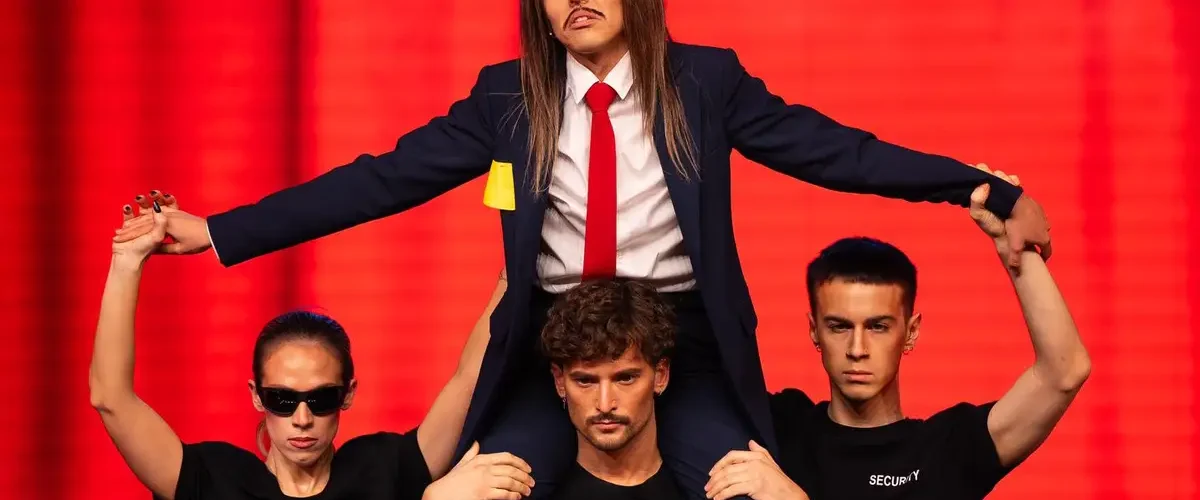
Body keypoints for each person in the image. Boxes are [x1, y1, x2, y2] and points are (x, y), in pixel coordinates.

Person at [112, 0, 1054, 495]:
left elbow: (833, 149)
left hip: (681, 336)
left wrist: (978, 187)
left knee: (737, 486)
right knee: (492, 487)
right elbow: (378, 179)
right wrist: (218, 231)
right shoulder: (506, 97)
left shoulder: (705, 83)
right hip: (553, 340)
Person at [91, 201, 534, 499]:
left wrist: (519, 263)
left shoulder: (385, 468)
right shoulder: (214, 480)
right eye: (282, 400)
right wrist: (127, 261)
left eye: (321, 399)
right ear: (256, 395)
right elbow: (111, 399)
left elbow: (470, 377)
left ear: (348, 394)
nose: (302, 419)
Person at [743, 170, 1089, 499]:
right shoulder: (778, 427)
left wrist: (1012, 245)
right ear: (814, 331)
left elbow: (1065, 372)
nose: (857, 348)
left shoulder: (946, 453)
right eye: (840, 326)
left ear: (911, 332)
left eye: (878, 326)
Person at [540, 279, 683, 499]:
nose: (605, 405)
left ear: (660, 375)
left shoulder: (707, 487)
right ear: (560, 381)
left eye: (625, 379)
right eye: (585, 381)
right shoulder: (530, 491)